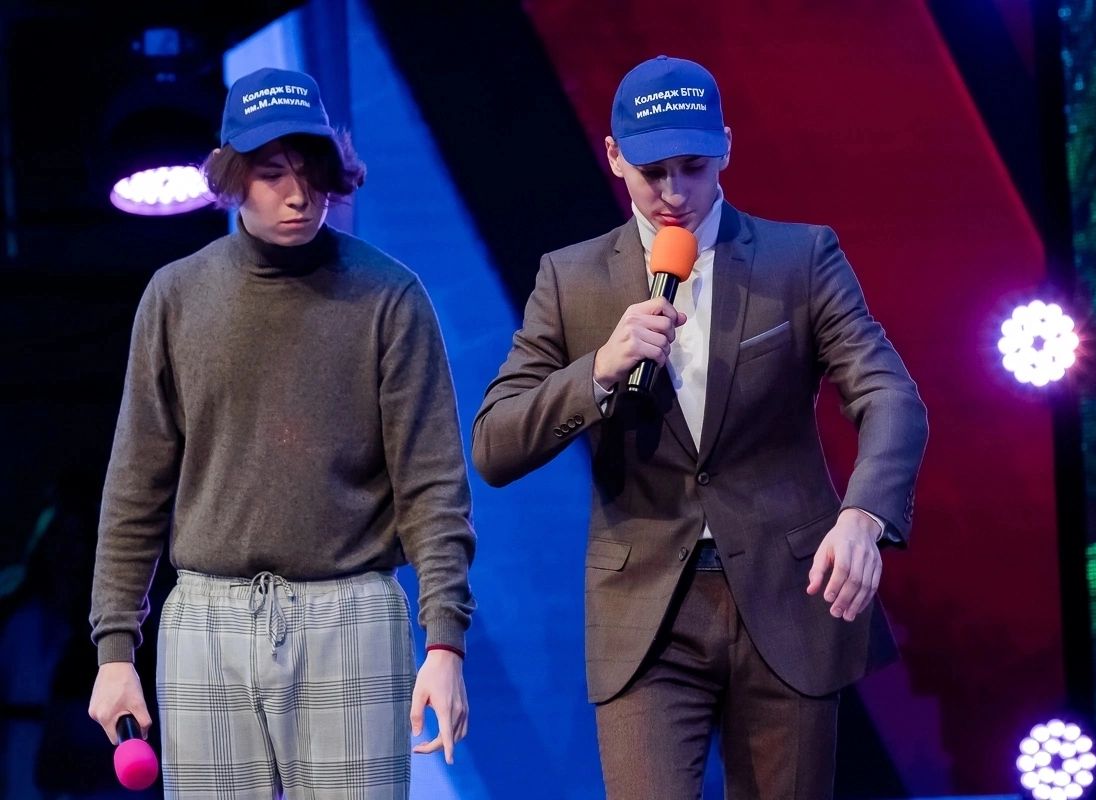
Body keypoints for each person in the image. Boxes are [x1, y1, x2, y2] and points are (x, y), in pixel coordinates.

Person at [472, 55, 928, 799]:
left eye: (694, 166)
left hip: (789, 594)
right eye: (653, 172)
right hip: (645, 610)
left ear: (727, 147)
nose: (675, 193)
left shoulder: (799, 258)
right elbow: (495, 444)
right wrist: (598, 370)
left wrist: (863, 517)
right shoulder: (571, 278)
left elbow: (890, 396)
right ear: (613, 156)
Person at [87, 67, 475, 799]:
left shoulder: (389, 296)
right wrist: (114, 650)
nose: (298, 195)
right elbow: (136, 483)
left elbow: (433, 486)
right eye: (271, 174)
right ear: (233, 177)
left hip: (351, 610)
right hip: (207, 617)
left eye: (311, 171)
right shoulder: (176, 296)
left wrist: (445, 642)